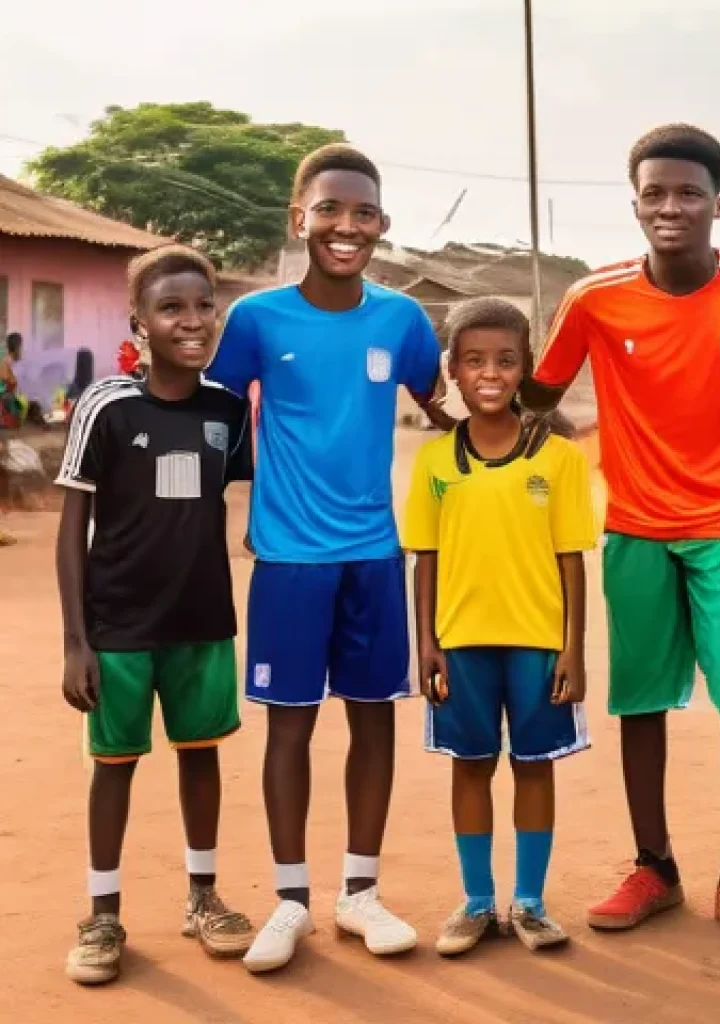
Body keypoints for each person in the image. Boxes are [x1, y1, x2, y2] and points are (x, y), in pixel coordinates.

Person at [522, 123, 720, 945]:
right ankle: (654, 865)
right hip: (635, 528)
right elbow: (540, 397)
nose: (671, 207)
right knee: (641, 701)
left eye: (688, 193)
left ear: (719, 203)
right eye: (655, 193)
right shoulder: (594, 296)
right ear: (635, 204)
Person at [205, 143, 447, 973]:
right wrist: (232, 515)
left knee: (374, 717)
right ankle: (290, 900)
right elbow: (220, 422)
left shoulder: (403, 321)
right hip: (289, 561)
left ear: (383, 225)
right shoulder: (257, 320)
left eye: (365, 214)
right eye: (331, 210)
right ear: (298, 217)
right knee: (291, 727)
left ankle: (361, 893)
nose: (348, 227)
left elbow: (444, 407)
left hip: (374, 557)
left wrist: (526, 437)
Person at [55, 244, 256, 985]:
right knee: (115, 766)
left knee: (200, 756)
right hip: (118, 626)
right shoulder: (106, 406)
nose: (192, 320)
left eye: (204, 305)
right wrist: (76, 640)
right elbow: (72, 527)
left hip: (202, 621)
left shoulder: (229, 411)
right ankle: (103, 913)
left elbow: (238, 505)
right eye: (171, 308)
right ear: (139, 323)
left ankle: (203, 898)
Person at [403, 298, 595, 956]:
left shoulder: (559, 458)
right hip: (460, 643)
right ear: (452, 370)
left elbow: (572, 560)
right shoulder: (434, 462)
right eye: (475, 360)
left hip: (539, 644)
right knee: (470, 766)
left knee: (534, 766)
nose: (490, 373)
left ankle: (531, 903)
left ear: (526, 370)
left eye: (506, 360)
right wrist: (426, 642)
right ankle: (478, 901)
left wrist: (574, 648)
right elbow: (423, 559)